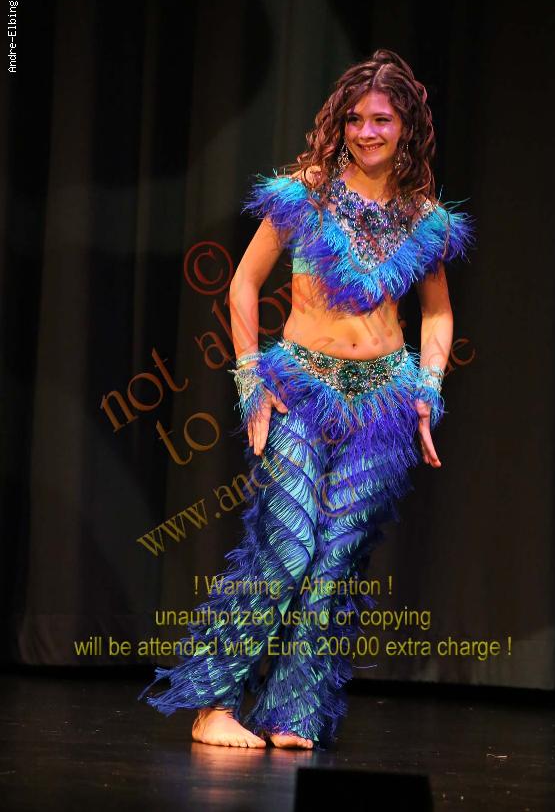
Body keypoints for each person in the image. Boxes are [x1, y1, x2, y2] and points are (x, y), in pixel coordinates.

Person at [138, 48, 476, 751]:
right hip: (299, 390)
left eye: (381, 119)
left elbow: (438, 313)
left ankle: (291, 711)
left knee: (334, 563)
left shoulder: (426, 220)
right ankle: (213, 704)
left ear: (407, 127)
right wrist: (250, 381)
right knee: (288, 548)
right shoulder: (306, 194)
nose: (366, 131)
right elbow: (242, 285)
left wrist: (428, 390)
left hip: (382, 405)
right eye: (354, 119)